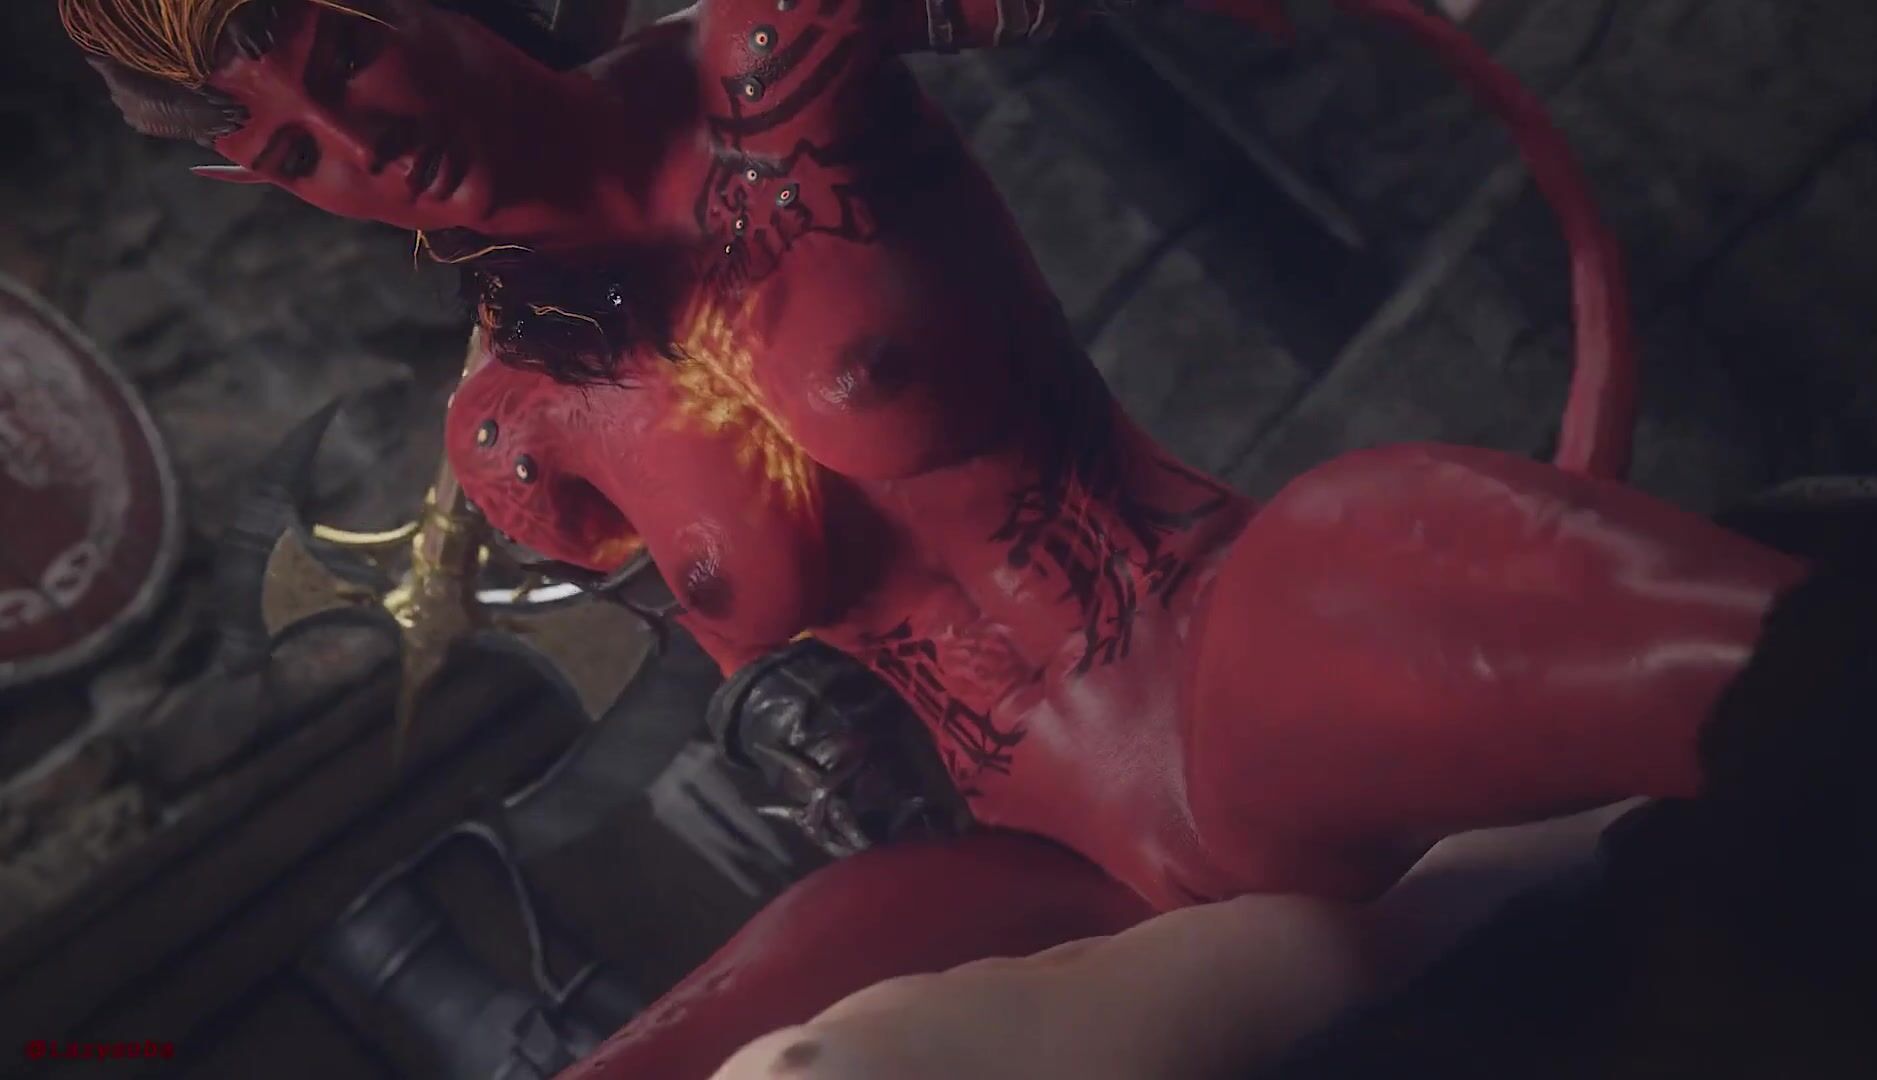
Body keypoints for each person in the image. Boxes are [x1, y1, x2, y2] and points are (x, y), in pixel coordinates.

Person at [61, 0, 1808, 1074]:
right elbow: (769, 679)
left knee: (1422, 548)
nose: (364, 138)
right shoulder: (511, 433)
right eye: (298, 154)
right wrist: (786, 723)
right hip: (1026, 858)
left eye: (344, 56)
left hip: (1213, 659)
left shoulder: (765, 63)